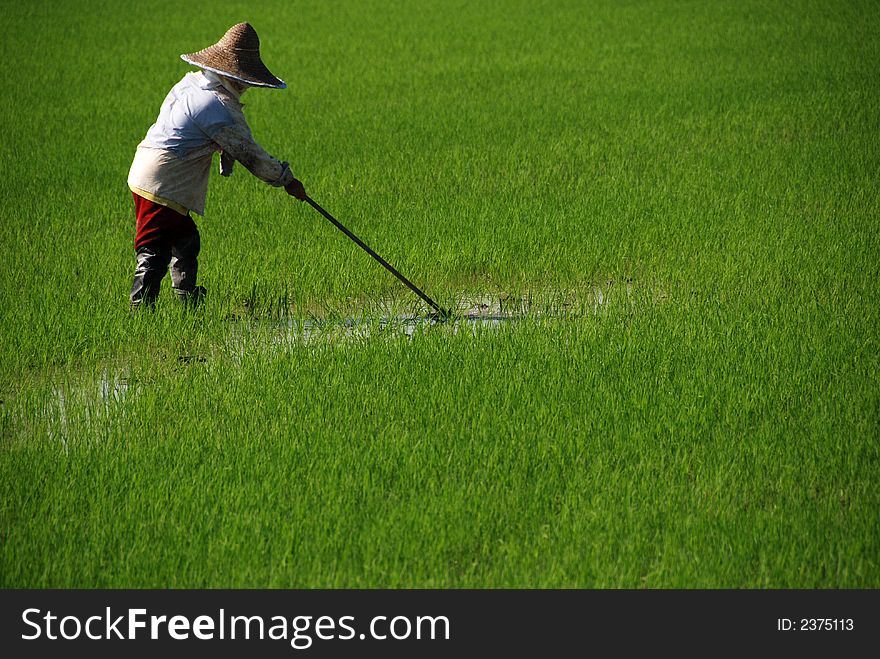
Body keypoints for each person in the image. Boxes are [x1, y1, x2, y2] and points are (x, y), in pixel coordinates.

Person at [127, 22, 307, 309]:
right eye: (245, 79)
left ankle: (188, 300)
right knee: (154, 250)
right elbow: (253, 156)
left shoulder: (191, 82)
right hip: (163, 180)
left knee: (185, 239)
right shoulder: (219, 107)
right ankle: (140, 312)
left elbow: (204, 133)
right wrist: (287, 180)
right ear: (235, 76)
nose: (246, 86)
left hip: (147, 169)